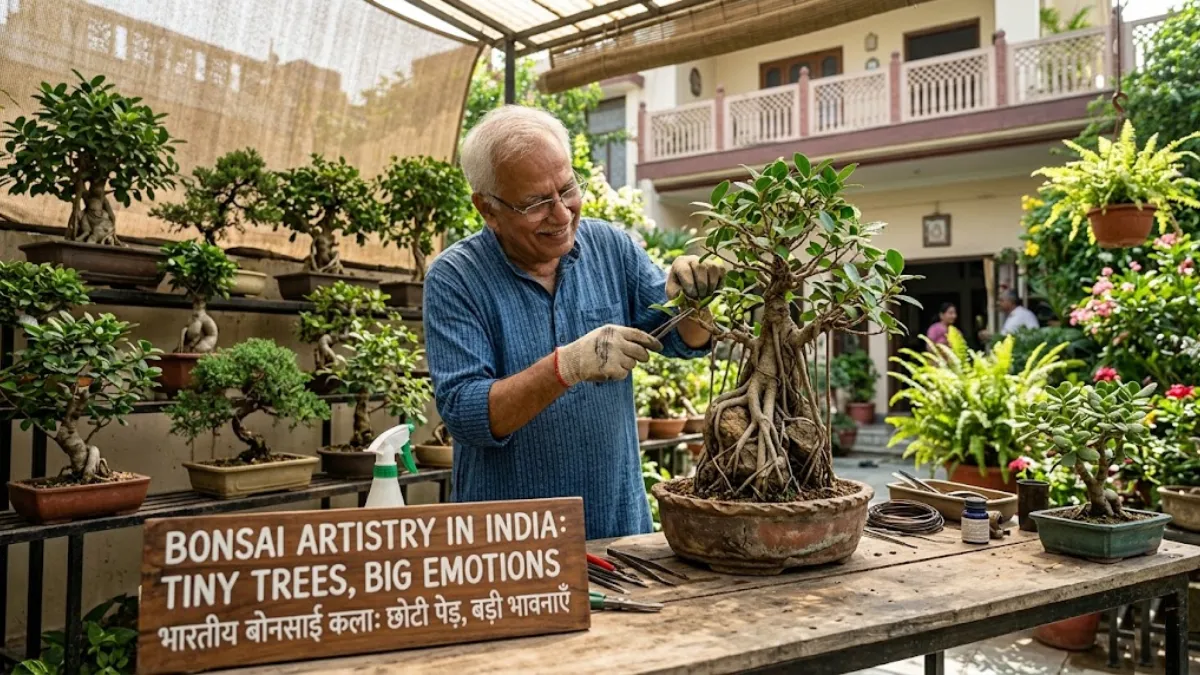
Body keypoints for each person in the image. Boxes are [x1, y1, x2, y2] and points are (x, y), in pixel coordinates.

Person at [423, 105, 725, 540]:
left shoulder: (610, 247)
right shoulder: (456, 278)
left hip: (616, 526)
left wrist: (694, 298)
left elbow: (684, 339)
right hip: (508, 543)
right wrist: (569, 365)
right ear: (488, 209)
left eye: (567, 189)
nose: (562, 214)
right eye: (535, 203)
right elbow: (468, 414)